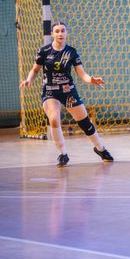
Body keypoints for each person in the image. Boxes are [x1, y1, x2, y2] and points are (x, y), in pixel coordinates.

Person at [19, 21, 114, 167]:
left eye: (62, 30)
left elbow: (82, 74)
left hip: (68, 90)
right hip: (50, 91)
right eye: (57, 31)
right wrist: (28, 80)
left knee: (85, 122)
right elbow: (35, 69)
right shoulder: (44, 51)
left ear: (66, 33)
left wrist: (91, 80)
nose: (60, 33)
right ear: (52, 34)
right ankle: (63, 154)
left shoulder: (71, 52)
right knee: (54, 119)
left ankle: (100, 149)